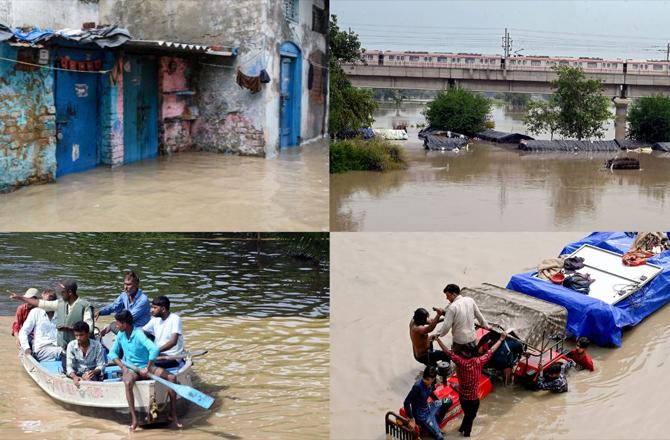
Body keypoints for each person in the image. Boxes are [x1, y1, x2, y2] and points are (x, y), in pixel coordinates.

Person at [109, 310, 181, 431]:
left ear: (125, 324)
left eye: (118, 323)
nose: (116, 326)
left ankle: (172, 413)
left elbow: (154, 350)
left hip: (148, 367)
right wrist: (124, 367)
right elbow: (112, 353)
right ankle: (134, 419)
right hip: (132, 369)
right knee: (127, 382)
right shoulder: (121, 335)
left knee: (172, 378)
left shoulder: (139, 334)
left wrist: (148, 367)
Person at [437, 332, 506, 437]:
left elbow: (448, 352)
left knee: (468, 415)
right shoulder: (479, 361)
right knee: (471, 417)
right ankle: (466, 435)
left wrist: (438, 340)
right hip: (473, 399)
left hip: (463, 398)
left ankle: (461, 429)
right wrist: (501, 339)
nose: (462, 352)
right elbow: (491, 351)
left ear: (467, 354)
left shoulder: (461, 362)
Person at [10, 280, 93, 351]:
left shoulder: (85, 306)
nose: (60, 293)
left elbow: (90, 328)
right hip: (61, 347)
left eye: (63, 291)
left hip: (76, 346)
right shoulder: (59, 304)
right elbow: (42, 303)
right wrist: (20, 298)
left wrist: (70, 328)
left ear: (70, 292)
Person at [434, 284, 489, 353]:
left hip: (459, 341)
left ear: (453, 294)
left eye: (448, 295)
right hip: (472, 337)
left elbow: (446, 327)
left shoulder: (452, 307)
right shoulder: (470, 300)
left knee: (458, 359)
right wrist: (486, 326)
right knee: (471, 357)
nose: (447, 298)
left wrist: (437, 334)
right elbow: (479, 315)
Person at [403, 366, 452, 440]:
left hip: (429, 407)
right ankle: (435, 429)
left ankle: (436, 424)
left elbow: (431, 392)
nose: (426, 381)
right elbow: (406, 402)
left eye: (429, 380)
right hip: (422, 416)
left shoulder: (431, 383)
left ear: (433, 379)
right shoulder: (417, 387)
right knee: (440, 437)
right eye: (425, 379)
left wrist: (437, 401)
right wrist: (412, 419)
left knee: (448, 401)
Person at [96, 271, 151, 336]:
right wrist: (100, 312)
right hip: (129, 327)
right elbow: (114, 306)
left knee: (113, 325)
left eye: (129, 285)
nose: (125, 287)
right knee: (115, 325)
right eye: (125, 284)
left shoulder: (143, 300)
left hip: (141, 331)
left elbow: (129, 318)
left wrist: (111, 326)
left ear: (136, 284)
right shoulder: (124, 295)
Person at [18, 290, 63, 361]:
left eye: (47, 302)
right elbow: (23, 331)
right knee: (63, 353)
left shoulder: (61, 314)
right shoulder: (35, 312)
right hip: (41, 349)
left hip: (58, 347)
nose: (44, 304)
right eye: (43, 302)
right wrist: (26, 348)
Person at [142, 296, 185, 368]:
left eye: (155, 308)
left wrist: (156, 351)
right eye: (152, 307)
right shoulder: (155, 319)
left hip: (171, 356)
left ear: (163, 309)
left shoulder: (175, 319)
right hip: (158, 354)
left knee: (146, 363)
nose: (151, 310)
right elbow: (141, 332)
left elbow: (173, 342)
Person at [66, 321, 106, 386]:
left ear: (88, 334)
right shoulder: (71, 345)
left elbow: (101, 365)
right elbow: (69, 366)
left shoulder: (97, 345)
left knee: (89, 380)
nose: (78, 338)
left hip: (92, 375)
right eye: (76, 335)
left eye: (81, 335)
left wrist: (93, 372)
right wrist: (74, 377)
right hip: (76, 374)